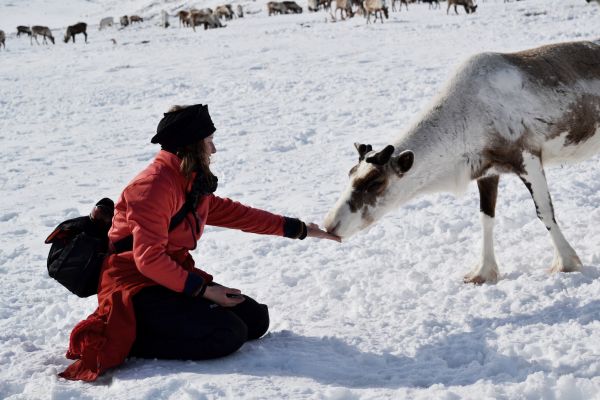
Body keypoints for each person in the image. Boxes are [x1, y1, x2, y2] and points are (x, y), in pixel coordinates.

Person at [59, 104, 340, 381]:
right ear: (190, 146)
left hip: (167, 277)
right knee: (228, 334)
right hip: (135, 286)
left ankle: (171, 320)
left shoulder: (188, 183)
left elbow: (239, 215)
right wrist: (204, 291)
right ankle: (131, 336)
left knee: (255, 320)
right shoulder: (153, 187)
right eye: (209, 142)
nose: (214, 150)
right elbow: (148, 260)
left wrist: (302, 229)